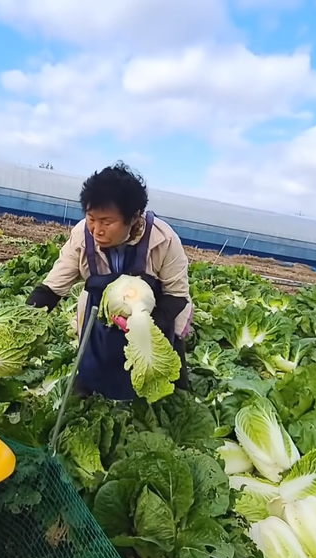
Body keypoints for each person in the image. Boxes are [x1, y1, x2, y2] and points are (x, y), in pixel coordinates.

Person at [27, 162, 192, 400]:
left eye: (107, 221)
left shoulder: (163, 239)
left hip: (154, 317)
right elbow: (52, 288)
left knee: (164, 384)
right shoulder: (82, 236)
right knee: (90, 379)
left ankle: (170, 397)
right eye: (91, 218)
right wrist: (24, 323)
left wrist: (144, 327)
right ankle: (88, 388)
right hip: (98, 318)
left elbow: (176, 296)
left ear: (134, 217)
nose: (97, 230)